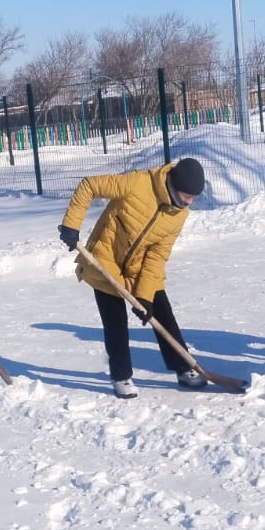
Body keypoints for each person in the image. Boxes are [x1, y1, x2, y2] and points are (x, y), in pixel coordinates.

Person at [57, 157, 207, 399]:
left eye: (193, 198)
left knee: (163, 312)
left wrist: (145, 296)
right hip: (104, 260)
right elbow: (89, 185)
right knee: (115, 321)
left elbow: (157, 256)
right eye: (186, 196)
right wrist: (71, 225)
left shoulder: (179, 214)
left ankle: (183, 367)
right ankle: (121, 375)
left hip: (138, 268)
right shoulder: (137, 183)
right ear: (173, 185)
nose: (189, 202)